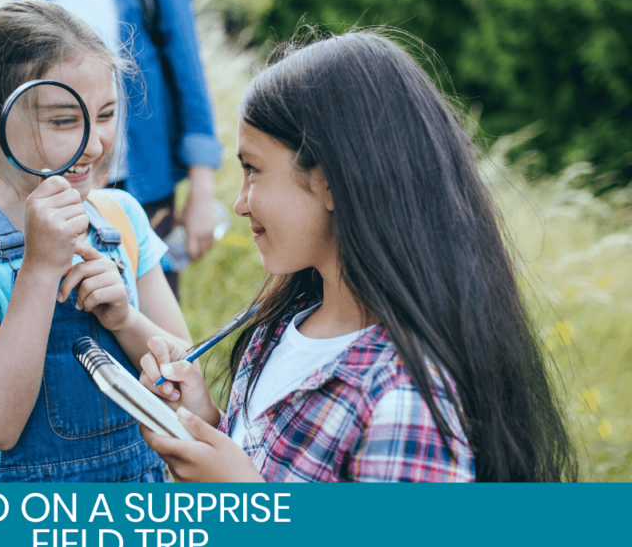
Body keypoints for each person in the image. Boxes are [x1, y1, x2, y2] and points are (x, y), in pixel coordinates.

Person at [137, 31, 578, 483]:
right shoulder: (278, 330)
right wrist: (203, 423)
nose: (241, 202)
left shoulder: (404, 400)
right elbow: (264, 464)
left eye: (253, 169)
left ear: (329, 180)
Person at [0, 0, 192, 482]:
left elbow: (190, 392)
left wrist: (125, 319)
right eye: (64, 121)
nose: (94, 144)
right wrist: (40, 269)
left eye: (106, 114)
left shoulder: (122, 217)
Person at [23, 0, 223, 298]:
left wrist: (202, 190)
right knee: (79, 298)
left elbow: (187, 67)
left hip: (145, 187)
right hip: (63, 181)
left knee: (152, 305)